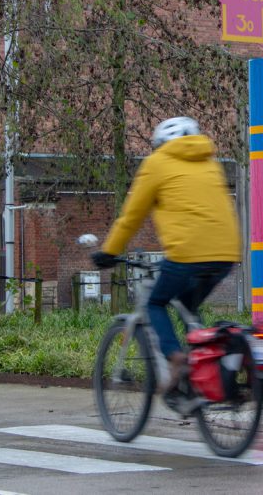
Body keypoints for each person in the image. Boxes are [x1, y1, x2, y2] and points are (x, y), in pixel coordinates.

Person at [90, 116, 240, 412]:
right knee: (187, 309)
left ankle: (176, 360)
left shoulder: (157, 163)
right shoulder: (210, 162)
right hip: (225, 255)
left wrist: (109, 251)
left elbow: (132, 216)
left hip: (186, 254)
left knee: (155, 304)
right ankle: (200, 377)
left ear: (160, 144)